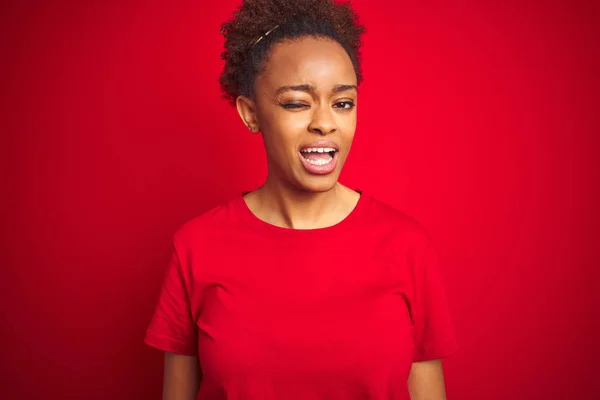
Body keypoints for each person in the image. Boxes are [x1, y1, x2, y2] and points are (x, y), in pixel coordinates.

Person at [144, 0, 458, 399]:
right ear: (250, 113)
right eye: (296, 103)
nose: (324, 122)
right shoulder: (196, 246)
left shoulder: (406, 245)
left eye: (342, 102)